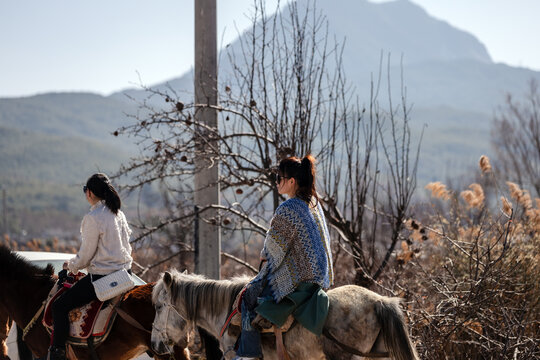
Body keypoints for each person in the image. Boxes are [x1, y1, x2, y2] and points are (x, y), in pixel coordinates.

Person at [234, 155, 334, 360]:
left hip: (299, 280)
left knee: (248, 296)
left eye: (279, 178)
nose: (277, 182)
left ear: (291, 182)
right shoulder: (314, 203)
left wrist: (261, 267)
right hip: (320, 278)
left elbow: (271, 252)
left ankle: (248, 355)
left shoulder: (288, 209)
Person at [48, 173, 133, 360]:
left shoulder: (93, 217)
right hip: (125, 275)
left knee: (59, 306)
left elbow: (85, 255)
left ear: (90, 192)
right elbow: (128, 248)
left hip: (102, 279)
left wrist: (71, 267)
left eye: (85, 189)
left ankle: (57, 353)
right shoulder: (119, 214)